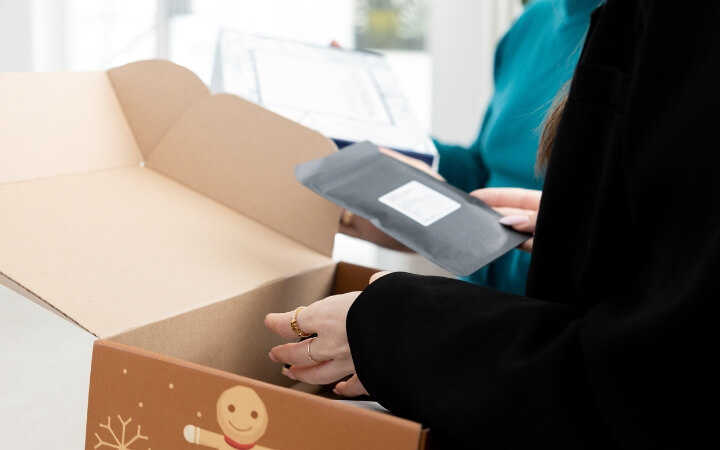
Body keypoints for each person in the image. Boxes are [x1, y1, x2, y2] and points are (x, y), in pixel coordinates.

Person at [266, 0, 718, 447]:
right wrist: (400, 185)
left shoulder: (676, 31)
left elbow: (656, 361)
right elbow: (488, 168)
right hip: (497, 353)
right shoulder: (535, 23)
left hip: (516, 359)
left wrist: (396, 325)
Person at [341, 0, 599, 295]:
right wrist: (382, 137)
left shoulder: (639, 42)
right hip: (476, 307)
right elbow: (484, 172)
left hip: (548, 323)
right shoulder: (534, 21)